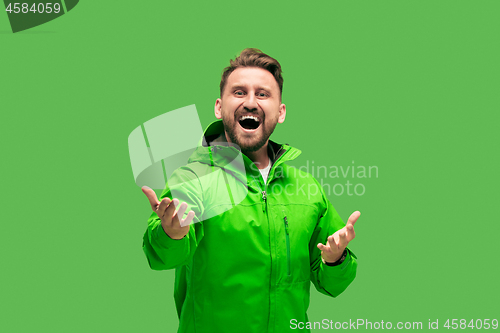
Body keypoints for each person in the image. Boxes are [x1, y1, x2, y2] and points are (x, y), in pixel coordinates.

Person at [141, 48, 360, 333]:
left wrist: (336, 260)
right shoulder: (194, 177)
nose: (251, 102)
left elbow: (333, 285)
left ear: (280, 112)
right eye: (239, 92)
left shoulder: (307, 188)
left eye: (263, 94)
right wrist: (171, 234)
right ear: (219, 107)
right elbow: (162, 257)